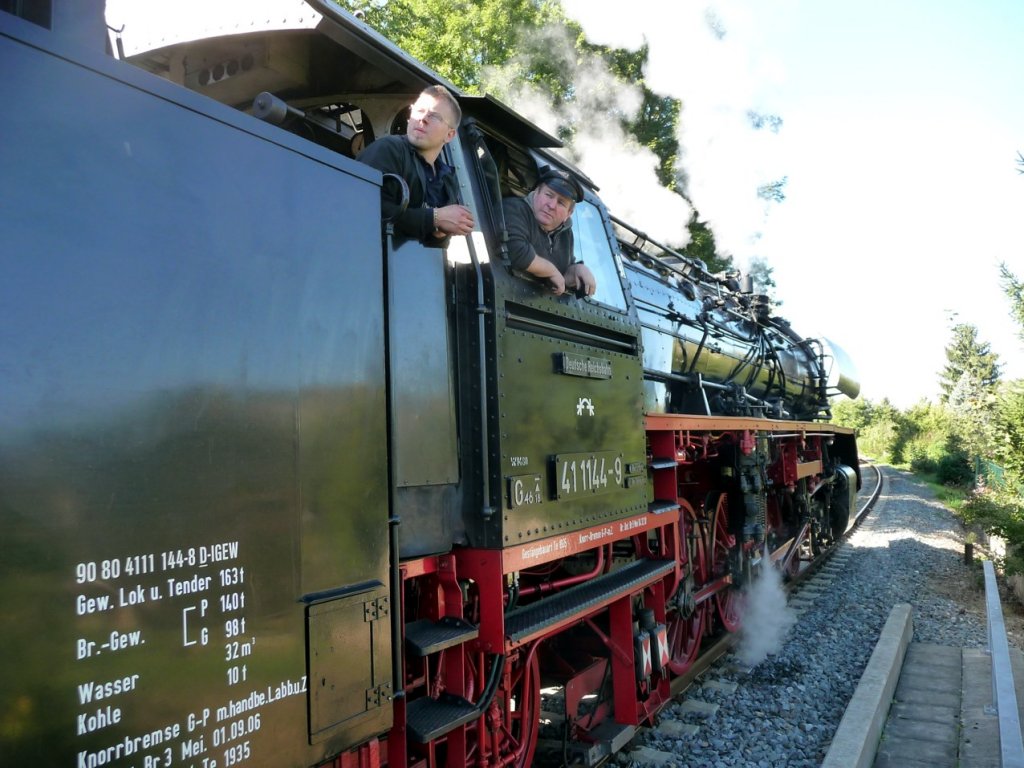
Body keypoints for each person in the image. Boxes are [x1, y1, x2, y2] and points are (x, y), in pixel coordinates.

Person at [357, 85, 474, 246]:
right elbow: (364, 209)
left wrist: (440, 233)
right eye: (419, 111)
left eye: (434, 116)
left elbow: (433, 248)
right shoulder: (388, 149)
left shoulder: (447, 181)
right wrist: (435, 217)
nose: (423, 119)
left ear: (450, 135)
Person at [502, 168, 597, 297]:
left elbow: (562, 271)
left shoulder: (566, 234)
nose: (551, 205)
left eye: (561, 203)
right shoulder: (513, 208)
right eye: (549, 195)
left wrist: (577, 269)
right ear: (536, 192)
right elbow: (515, 249)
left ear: (569, 213)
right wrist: (551, 271)